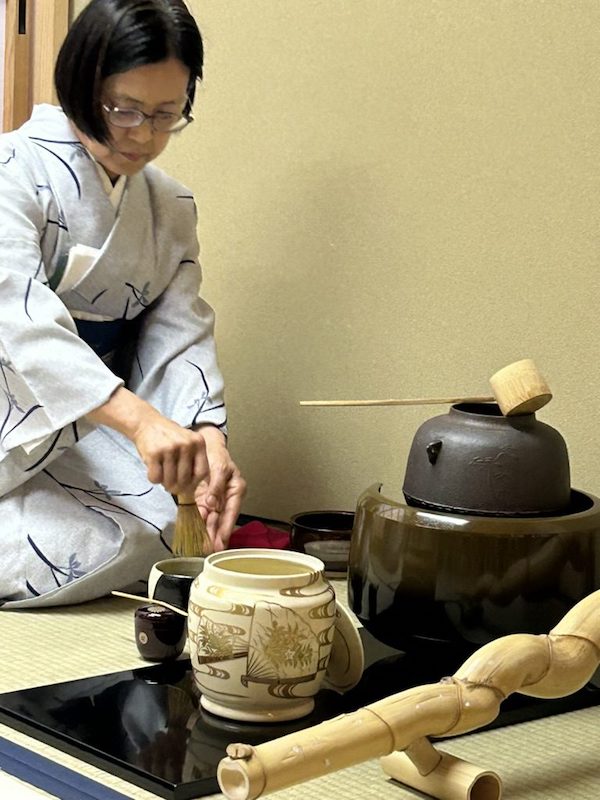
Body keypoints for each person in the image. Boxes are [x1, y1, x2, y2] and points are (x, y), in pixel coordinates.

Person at [0, 0, 246, 608]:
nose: (145, 136)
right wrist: (140, 421)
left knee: (174, 530)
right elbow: (20, 319)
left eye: (167, 114)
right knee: (106, 545)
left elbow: (178, 329)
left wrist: (206, 434)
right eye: (125, 110)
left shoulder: (171, 205)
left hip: (87, 424)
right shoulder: (10, 170)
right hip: (19, 419)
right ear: (81, 84)